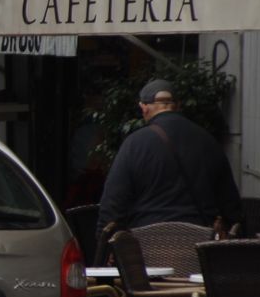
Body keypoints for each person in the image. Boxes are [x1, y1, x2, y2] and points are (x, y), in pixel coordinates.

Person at [97, 78, 242, 233]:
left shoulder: (133, 144)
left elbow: (113, 202)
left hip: (147, 240)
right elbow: (231, 204)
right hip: (200, 239)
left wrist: (104, 239)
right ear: (178, 106)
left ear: (144, 108)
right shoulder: (208, 141)